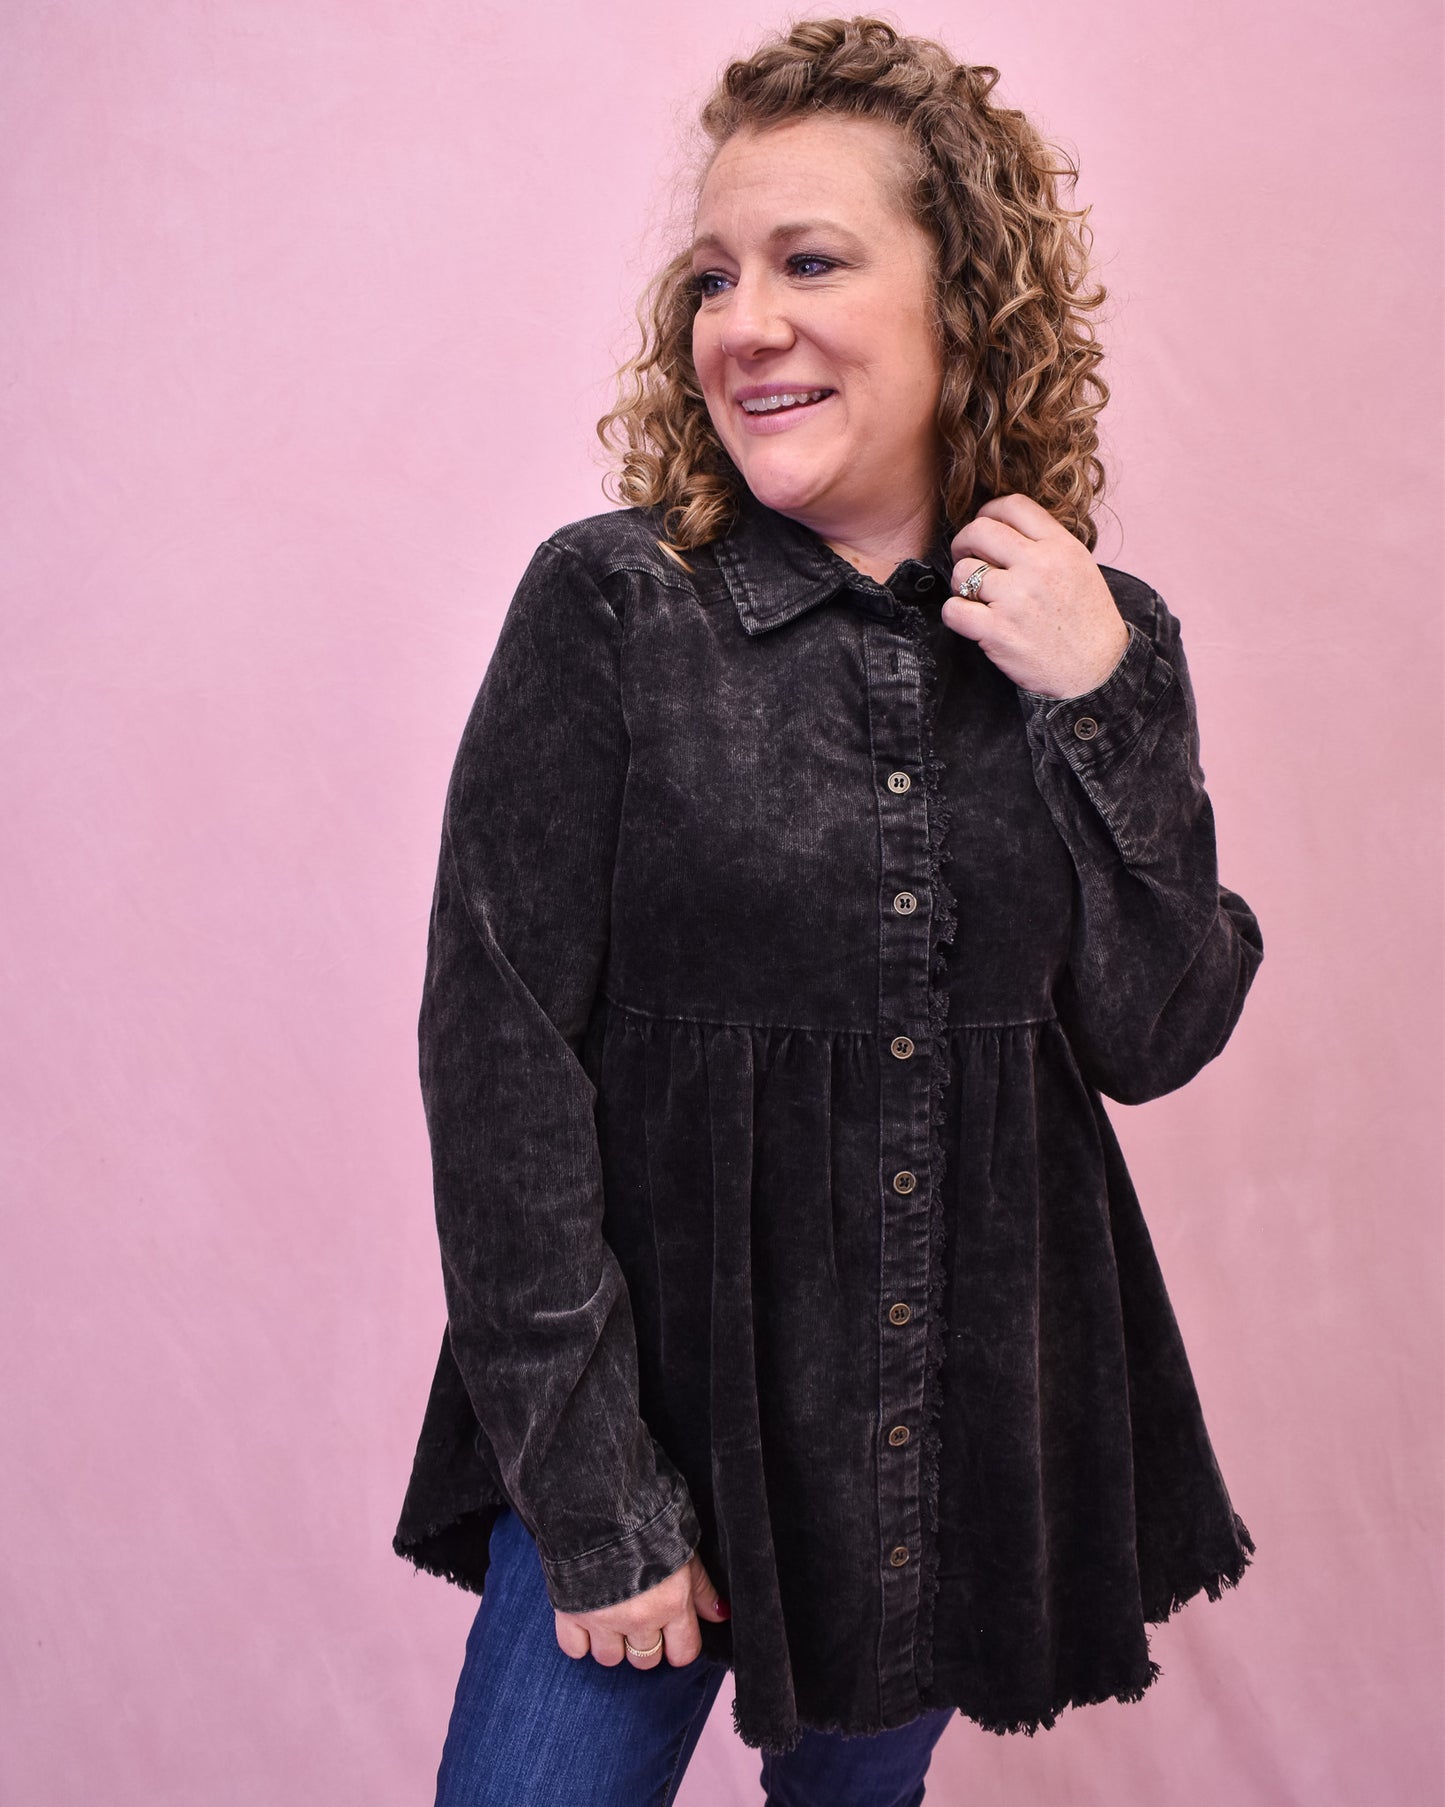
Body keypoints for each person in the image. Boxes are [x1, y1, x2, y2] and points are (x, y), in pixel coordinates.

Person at [392, 16, 1265, 1805]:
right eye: (715, 273)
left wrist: (1095, 698)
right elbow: (497, 1062)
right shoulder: (614, 610)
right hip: (644, 1421)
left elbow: (1153, 1035)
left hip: (939, 1431)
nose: (743, 321)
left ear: (967, 302)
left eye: (810, 261)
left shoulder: (1100, 635)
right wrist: (596, 1498)